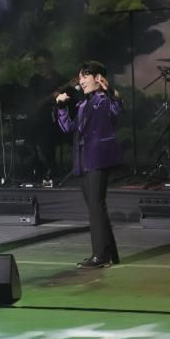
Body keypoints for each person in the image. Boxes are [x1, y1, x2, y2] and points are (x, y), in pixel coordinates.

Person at [56, 61, 123, 269]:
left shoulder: (105, 100)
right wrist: (61, 107)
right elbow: (68, 129)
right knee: (95, 207)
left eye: (85, 76)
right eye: (80, 77)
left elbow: (117, 110)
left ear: (98, 78)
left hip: (97, 158)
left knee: (96, 206)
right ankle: (109, 253)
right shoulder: (83, 104)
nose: (81, 81)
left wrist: (109, 89)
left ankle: (100, 256)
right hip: (83, 160)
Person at [27, 49, 70, 180]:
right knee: (37, 130)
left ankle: (53, 168)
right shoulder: (34, 81)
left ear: (50, 63)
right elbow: (33, 104)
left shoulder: (61, 80)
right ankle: (41, 167)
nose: (40, 68)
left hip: (60, 122)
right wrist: (51, 97)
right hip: (39, 123)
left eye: (43, 64)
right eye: (37, 65)